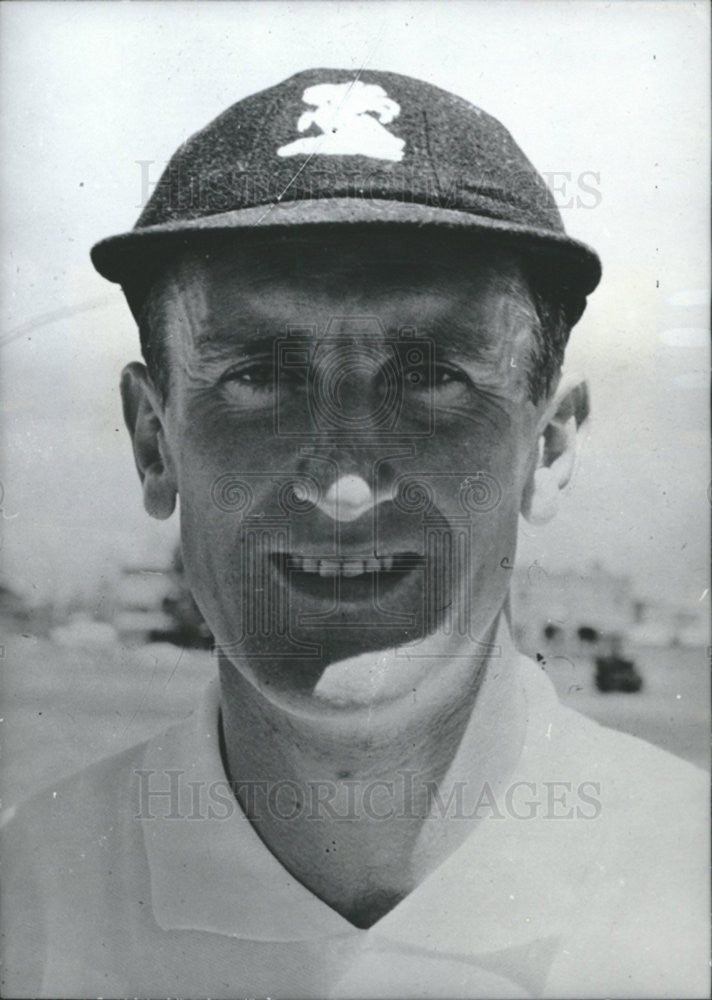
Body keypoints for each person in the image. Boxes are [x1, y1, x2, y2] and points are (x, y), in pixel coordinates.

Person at [1, 68, 707, 999]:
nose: (342, 483)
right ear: (152, 441)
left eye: (434, 378)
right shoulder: (29, 901)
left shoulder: (688, 892)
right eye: (257, 376)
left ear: (550, 444)